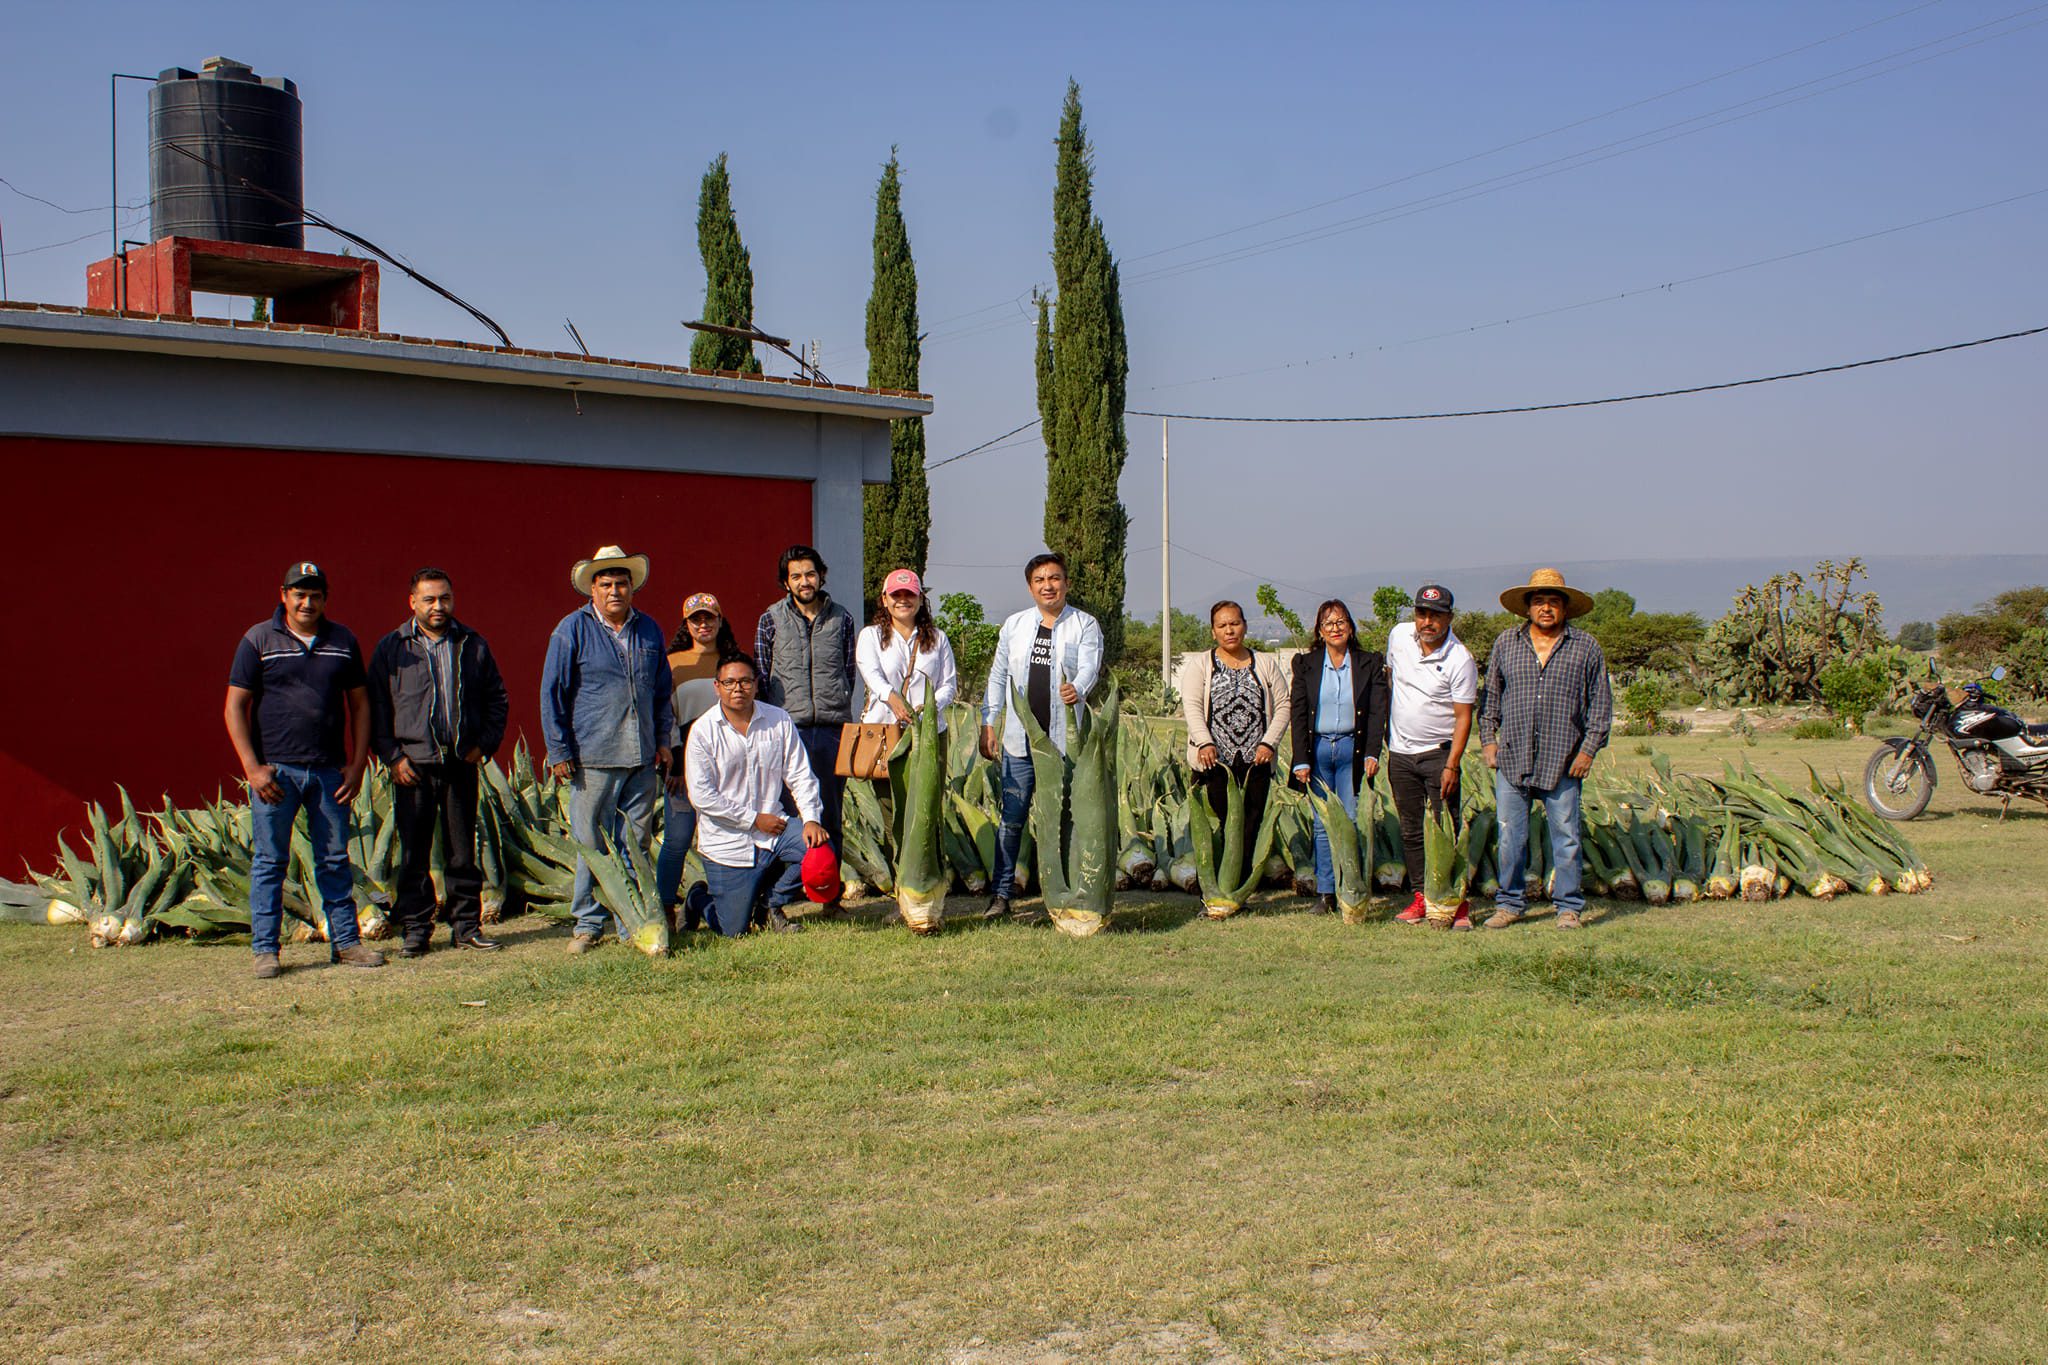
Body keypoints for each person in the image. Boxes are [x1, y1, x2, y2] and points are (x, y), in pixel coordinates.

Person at [224, 561, 384, 978]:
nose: (307, 601)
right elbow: (234, 706)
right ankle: (266, 950)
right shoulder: (258, 640)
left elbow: (360, 704)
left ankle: (346, 944)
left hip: (329, 771)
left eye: (315, 594)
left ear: (325, 598)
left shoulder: (342, 641)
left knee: (333, 859)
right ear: (284, 595)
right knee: (270, 863)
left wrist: (357, 761)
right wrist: (252, 768)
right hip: (276, 774)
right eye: (299, 593)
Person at [366, 567, 511, 956]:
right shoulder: (393, 648)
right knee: (413, 853)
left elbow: (497, 698)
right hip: (413, 766)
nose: (438, 606)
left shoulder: (471, 644)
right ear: (412, 602)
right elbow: (378, 709)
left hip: (460, 761)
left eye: (444, 598)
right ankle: (417, 929)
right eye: (429, 599)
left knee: (463, 850)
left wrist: (485, 744)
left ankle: (466, 926)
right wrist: (393, 757)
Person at [540, 544, 674, 953]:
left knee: (635, 841)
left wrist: (664, 740)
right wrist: (559, 751)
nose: (615, 591)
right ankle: (587, 923)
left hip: (641, 753)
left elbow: (662, 691)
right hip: (592, 756)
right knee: (592, 844)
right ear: (592, 590)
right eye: (606, 584)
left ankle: (627, 920)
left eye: (621, 583)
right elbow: (552, 693)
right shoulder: (572, 630)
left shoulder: (648, 629)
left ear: (632, 588)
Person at [1481, 568, 1613, 931]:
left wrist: (1588, 750)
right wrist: (1489, 741)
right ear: (1527, 608)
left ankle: (1568, 907)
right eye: (1539, 601)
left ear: (1565, 608)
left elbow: (1600, 705)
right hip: (1513, 754)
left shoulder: (1585, 647)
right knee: (1510, 836)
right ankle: (1509, 903)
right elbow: (1491, 697)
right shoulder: (1507, 643)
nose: (1546, 608)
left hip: (1564, 758)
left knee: (1567, 837)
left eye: (1554, 602)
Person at [979, 552, 1105, 920]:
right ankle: (1001, 896)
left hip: (1065, 743)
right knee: (1012, 819)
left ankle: (1063, 894)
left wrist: (1078, 688)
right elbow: (998, 677)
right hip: (1021, 742)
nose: (1048, 586)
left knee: (1066, 817)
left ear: (1067, 583)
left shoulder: (1084, 624)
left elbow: (1090, 667)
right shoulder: (1014, 626)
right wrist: (990, 721)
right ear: (1030, 587)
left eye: (1054, 578)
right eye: (1040, 580)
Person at [683, 652, 831, 936]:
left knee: (818, 849)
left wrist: (811, 818)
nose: (738, 688)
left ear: (756, 684)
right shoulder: (703, 731)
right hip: (727, 841)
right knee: (733, 930)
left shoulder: (778, 720)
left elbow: (800, 773)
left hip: (773, 830)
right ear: (717, 687)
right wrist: (753, 819)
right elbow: (702, 796)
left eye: (745, 681)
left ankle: (770, 904)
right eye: (729, 682)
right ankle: (698, 899)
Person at [1385, 583, 1479, 930]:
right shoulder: (1398, 636)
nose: (1428, 622)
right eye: (1422, 614)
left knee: (1446, 828)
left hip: (1438, 755)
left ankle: (1457, 901)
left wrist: (1452, 764)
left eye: (1436, 615)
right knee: (1411, 830)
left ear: (1449, 618)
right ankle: (1422, 897)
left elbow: (1463, 716)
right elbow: (1392, 679)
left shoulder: (1460, 659)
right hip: (1401, 753)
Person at [1289, 600, 1390, 914]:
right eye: (1328, 623)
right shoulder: (1305, 664)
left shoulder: (1368, 663)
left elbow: (1377, 712)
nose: (1335, 628)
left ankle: (1352, 885)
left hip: (1352, 749)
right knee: (1322, 823)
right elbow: (1299, 713)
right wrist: (1300, 759)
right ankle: (1326, 892)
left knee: (1350, 819)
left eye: (1341, 622)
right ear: (1320, 631)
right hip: (1318, 750)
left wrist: (1373, 751)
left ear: (1351, 627)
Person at [755, 544, 857, 849]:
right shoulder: (770, 619)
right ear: (786, 582)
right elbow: (761, 675)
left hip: (831, 729)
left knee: (830, 813)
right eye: (796, 576)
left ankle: (828, 890)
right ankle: (790, 884)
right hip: (787, 729)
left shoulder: (842, 619)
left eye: (810, 574)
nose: (804, 582)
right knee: (786, 811)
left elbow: (848, 673)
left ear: (821, 576)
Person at [1179, 599, 1290, 855]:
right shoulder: (1201, 664)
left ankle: (1245, 881)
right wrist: (1204, 742)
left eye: (1234, 623)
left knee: (1252, 823)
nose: (1229, 630)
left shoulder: (1264, 663)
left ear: (1245, 626)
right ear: (1213, 631)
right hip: (1214, 762)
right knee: (1215, 823)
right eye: (1222, 625)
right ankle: (1214, 883)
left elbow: (1284, 704)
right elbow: (1192, 706)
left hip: (1257, 762)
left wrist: (1269, 743)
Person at [655, 592, 738, 929]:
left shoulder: (733, 661)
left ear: (720, 620)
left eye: (709, 618)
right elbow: (665, 715)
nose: (703, 625)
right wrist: (675, 762)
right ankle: (664, 908)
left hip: (729, 765)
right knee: (677, 840)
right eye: (695, 619)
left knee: (729, 836)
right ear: (686, 624)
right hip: (684, 766)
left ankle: (729, 902)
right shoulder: (674, 664)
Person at [856, 568, 960, 735]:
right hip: (883, 732)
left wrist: (929, 709)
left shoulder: (938, 638)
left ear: (920, 599)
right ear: (884, 599)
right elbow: (872, 676)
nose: (903, 600)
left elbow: (948, 685)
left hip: (929, 733)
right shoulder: (870, 636)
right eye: (896, 595)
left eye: (909, 594)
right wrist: (892, 697)